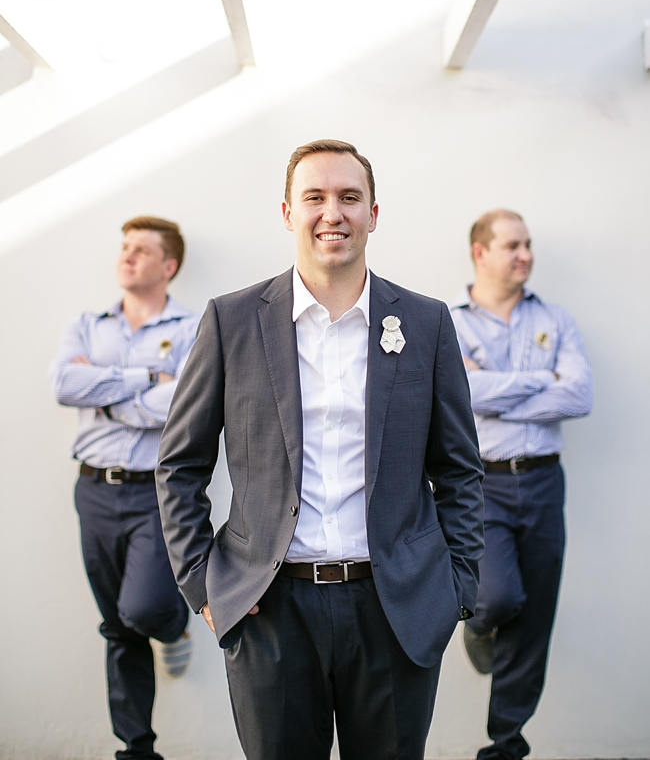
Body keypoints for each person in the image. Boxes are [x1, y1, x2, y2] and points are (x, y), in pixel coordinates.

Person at [155, 138, 484, 760]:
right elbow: (180, 464)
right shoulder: (231, 321)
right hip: (269, 610)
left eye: (349, 197)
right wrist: (203, 585)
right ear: (287, 213)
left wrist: (458, 585)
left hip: (396, 609)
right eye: (315, 197)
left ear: (374, 214)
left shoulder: (427, 322)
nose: (332, 212)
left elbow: (460, 469)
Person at [50, 216, 200, 760]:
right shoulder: (89, 324)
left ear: (169, 266)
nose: (128, 256)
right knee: (117, 627)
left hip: (153, 494)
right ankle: (136, 750)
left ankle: (176, 624)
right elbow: (63, 383)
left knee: (142, 611)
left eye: (141, 250)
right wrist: (142, 381)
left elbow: (184, 404)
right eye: (125, 247)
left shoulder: (191, 327)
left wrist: (103, 390)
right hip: (92, 492)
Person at [450, 208, 593, 760]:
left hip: (542, 482)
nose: (525, 254)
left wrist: (493, 388)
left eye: (528, 244)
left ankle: (506, 743)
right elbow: (460, 395)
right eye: (513, 245)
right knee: (495, 598)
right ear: (480, 252)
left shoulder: (556, 320)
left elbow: (579, 397)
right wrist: (542, 381)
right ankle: (477, 628)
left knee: (534, 617)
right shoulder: (452, 323)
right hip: (478, 484)